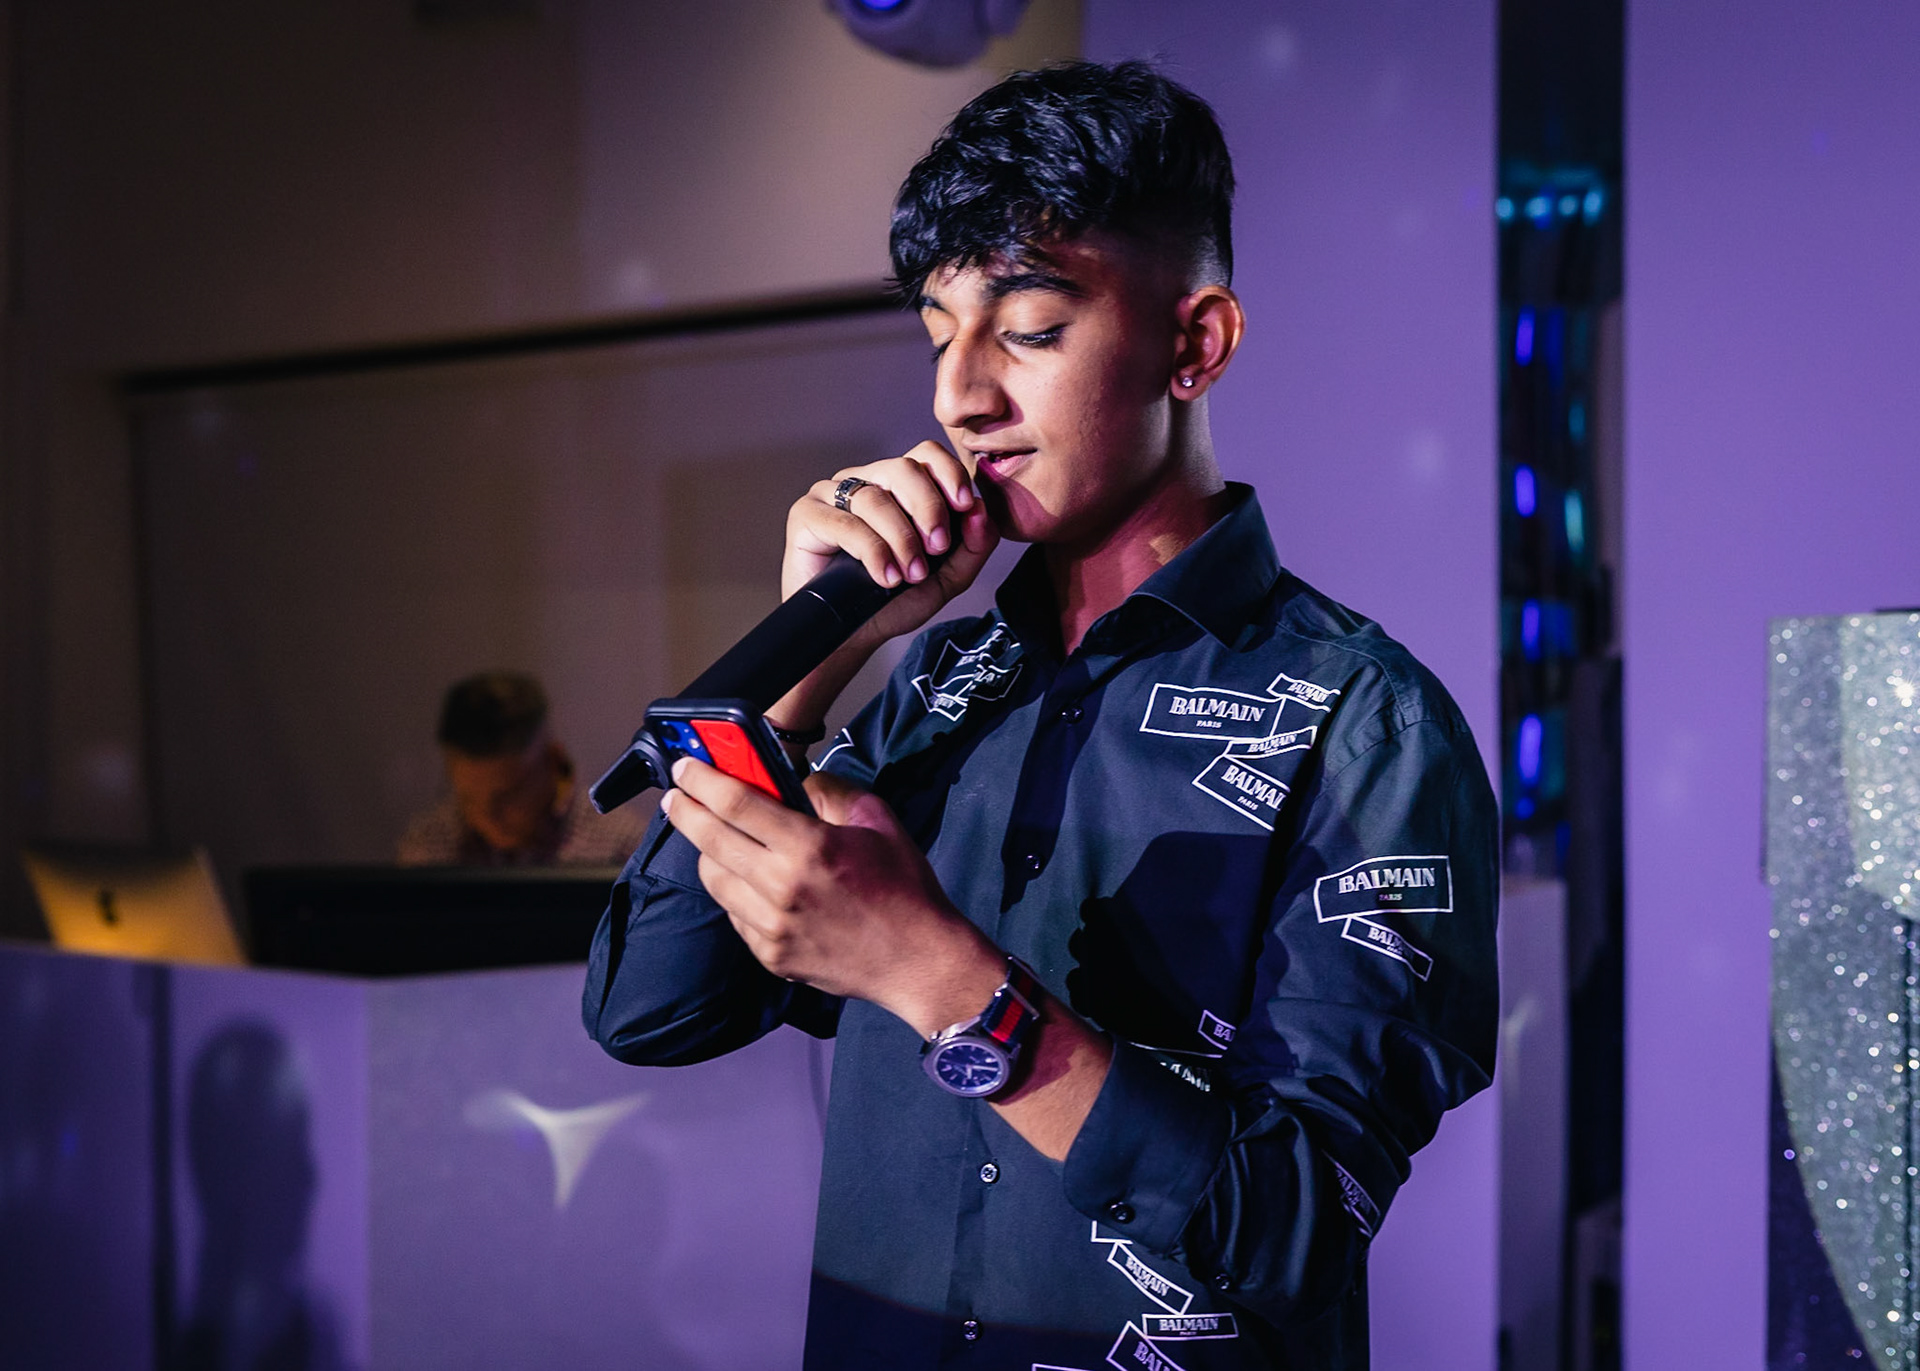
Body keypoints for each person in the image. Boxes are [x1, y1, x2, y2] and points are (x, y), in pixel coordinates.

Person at [583, 60, 1498, 1369]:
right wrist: (808, 657)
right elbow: (649, 1010)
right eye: (938, 333)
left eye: (1026, 328)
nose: (960, 395)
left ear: (1194, 344)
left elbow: (1293, 1231)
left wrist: (937, 979)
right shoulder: (937, 687)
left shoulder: (1365, 722)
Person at [398, 671, 646, 866]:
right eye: (468, 798)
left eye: (506, 796)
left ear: (553, 760)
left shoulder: (621, 848)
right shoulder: (429, 849)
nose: (487, 816)